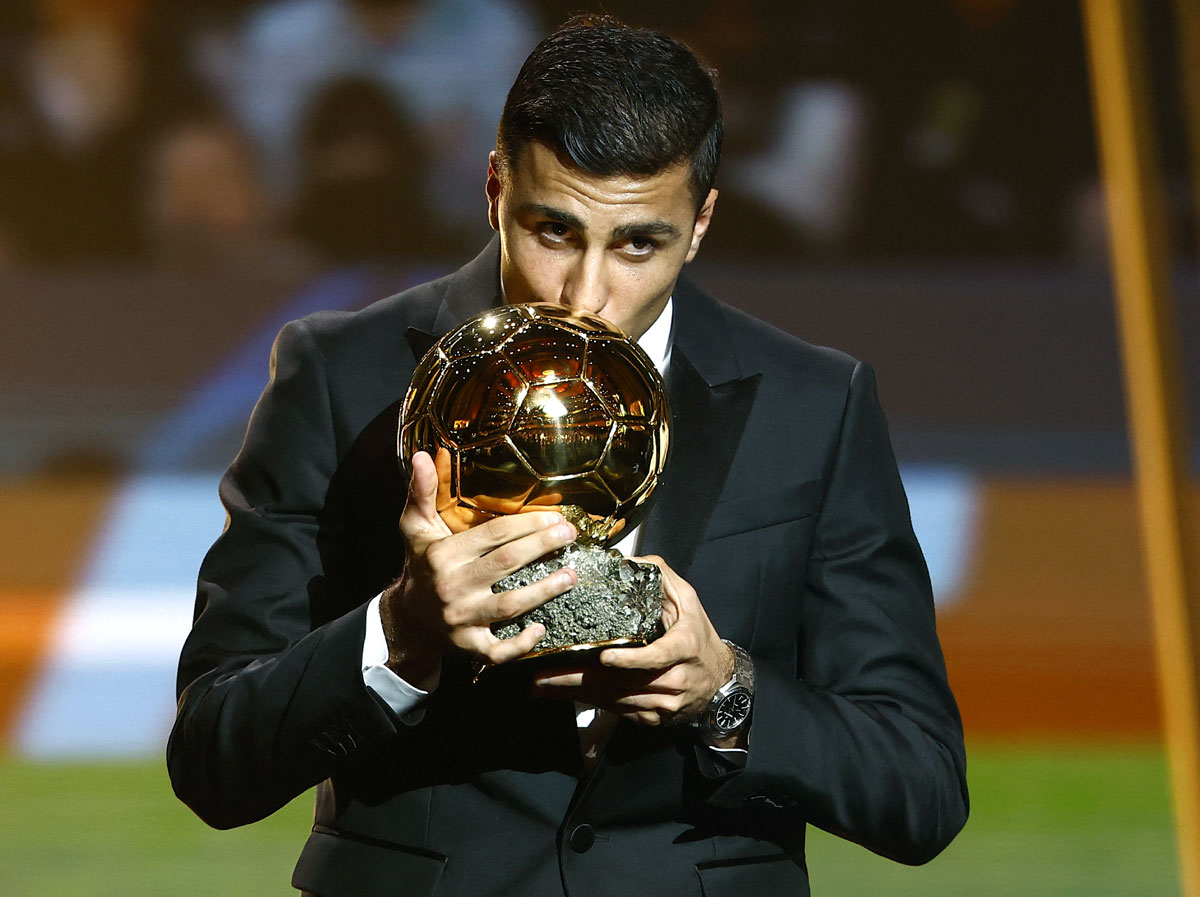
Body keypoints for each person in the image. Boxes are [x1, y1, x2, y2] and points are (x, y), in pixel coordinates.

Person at [168, 15, 968, 897]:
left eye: (637, 243)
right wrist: (402, 632)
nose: (585, 296)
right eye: (553, 231)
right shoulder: (340, 378)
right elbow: (213, 758)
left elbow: (920, 786)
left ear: (699, 223)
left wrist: (724, 689)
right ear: (494, 189)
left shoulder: (817, 405)